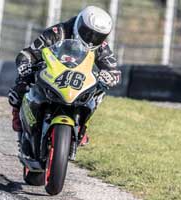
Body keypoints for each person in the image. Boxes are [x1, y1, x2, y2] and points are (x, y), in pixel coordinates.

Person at [8, 6, 121, 145]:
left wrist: (109, 77)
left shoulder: (100, 46)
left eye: (98, 36)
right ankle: (18, 116)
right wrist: (25, 64)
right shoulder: (58, 32)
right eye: (88, 33)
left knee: (100, 91)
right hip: (52, 73)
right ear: (79, 24)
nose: (92, 39)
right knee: (21, 83)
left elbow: (114, 70)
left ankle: (82, 127)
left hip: (79, 80)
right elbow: (29, 53)